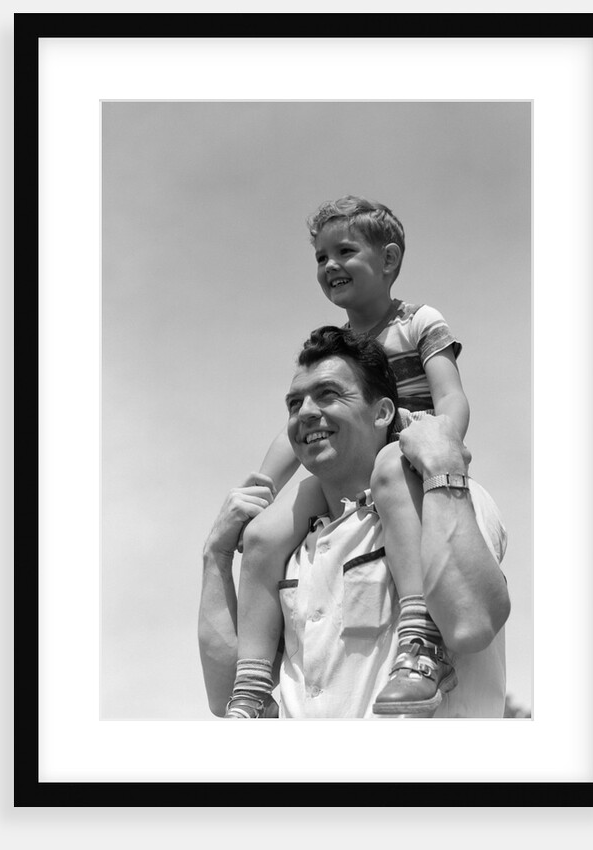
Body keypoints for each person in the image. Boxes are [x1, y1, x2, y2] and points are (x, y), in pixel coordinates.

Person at [229, 196, 478, 718]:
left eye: (344, 250)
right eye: (321, 257)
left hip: (405, 452)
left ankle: (418, 637)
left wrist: (441, 445)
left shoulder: (417, 321)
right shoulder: (339, 349)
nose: (330, 265)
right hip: (349, 470)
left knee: (390, 466)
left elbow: (450, 393)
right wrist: (260, 491)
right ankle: (252, 691)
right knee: (262, 537)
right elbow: (299, 430)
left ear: (388, 260)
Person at [198, 326, 510, 719]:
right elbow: (224, 699)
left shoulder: (441, 497)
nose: (306, 412)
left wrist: (444, 465)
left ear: (382, 413)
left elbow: (472, 624)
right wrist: (216, 554)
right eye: (294, 404)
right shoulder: (287, 548)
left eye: (329, 394)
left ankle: (420, 649)